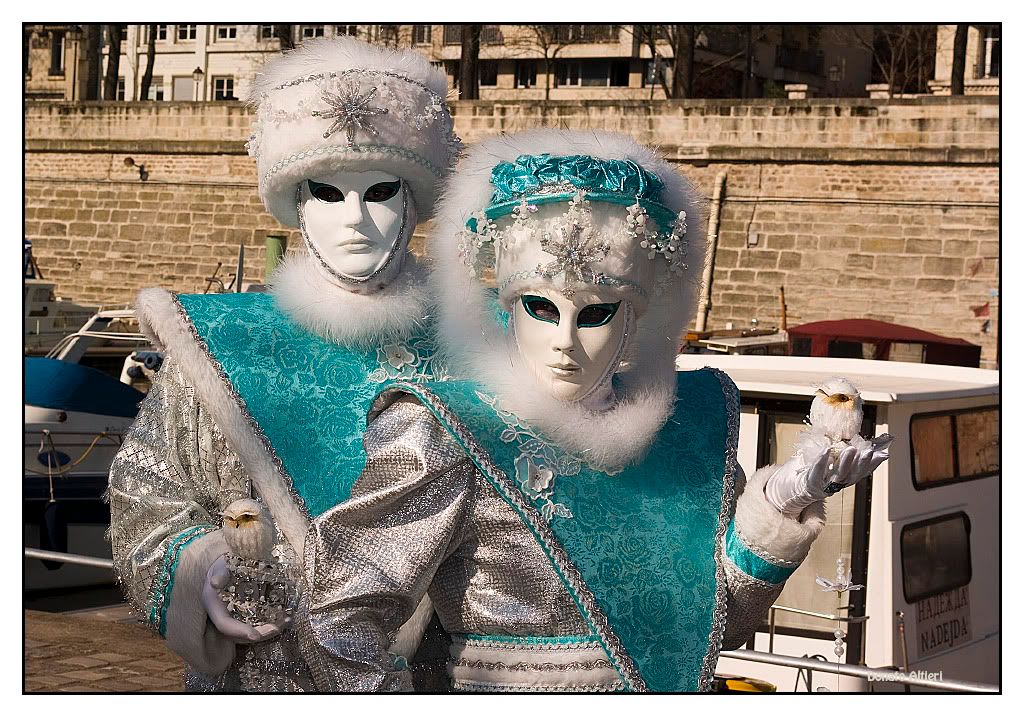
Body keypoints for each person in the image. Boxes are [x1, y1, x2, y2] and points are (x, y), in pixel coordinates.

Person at [295, 130, 890, 692]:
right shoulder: (448, 431)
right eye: (541, 308)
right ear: (507, 307)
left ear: (636, 314)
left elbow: (714, 628)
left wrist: (779, 508)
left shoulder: (683, 431)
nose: (566, 341)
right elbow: (334, 621)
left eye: (597, 312)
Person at [105, 36, 460, 692]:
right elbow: (145, 493)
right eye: (328, 192)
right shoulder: (224, 346)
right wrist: (202, 565)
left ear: (415, 196)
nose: (355, 218)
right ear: (297, 200)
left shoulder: (470, 346)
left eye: (380, 190)